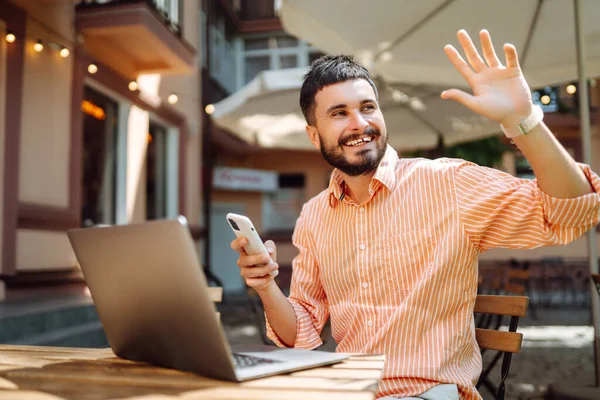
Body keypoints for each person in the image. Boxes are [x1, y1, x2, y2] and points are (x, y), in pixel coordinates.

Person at [230, 29, 600, 400]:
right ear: (314, 135)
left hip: (428, 393)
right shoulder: (314, 216)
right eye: (339, 113)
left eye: (367, 107)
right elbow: (302, 334)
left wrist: (525, 120)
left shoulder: (447, 183)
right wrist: (265, 287)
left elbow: (572, 212)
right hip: (350, 392)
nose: (359, 123)